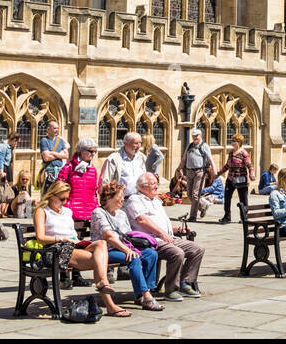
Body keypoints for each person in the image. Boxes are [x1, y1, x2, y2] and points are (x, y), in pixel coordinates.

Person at [33, 179, 129, 316]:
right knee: (97, 260)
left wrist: (76, 241)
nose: (64, 202)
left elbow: (72, 233)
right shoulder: (42, 211)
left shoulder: (67, 212)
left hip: (73, 244)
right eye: (61, 199)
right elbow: (40, 238)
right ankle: (109, 303)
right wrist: (61, 239)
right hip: (56, 249)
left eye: (67, 198)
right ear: (52, 196)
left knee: (101, 244)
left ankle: (103, 283)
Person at [125, 172, 205, 302]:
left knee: (197, 249)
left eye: (157, 183)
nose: (156, 186)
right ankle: (171, 290)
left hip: (167, 238)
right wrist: (162, 234)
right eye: (153, 184)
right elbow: (142, 220)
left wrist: (177, 229)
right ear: (142, 186)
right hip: (151, 241)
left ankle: (185, 283)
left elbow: (163, 223)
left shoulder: (156, 200)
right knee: (177, 253)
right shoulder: (135, 200)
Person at [90, 181, 163, 311]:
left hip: (124, 248)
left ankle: (143, 292)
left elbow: (128, 235)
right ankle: (146, 296)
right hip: (107, 250)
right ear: (109, 197)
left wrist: (130, 248)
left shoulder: (121, 214)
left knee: (151, 254)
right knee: (133, 258)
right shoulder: (98, 213)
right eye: (120, 196)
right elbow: (109, 236)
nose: (122, 199)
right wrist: (128, 250)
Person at [60, 138, 100, 224]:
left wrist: (95, 206)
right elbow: (58, 190)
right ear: (81, 151)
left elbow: (94, 192)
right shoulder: (69, 167)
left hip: (89, 215)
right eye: (90, 151)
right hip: (71, 214)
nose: (93, 154)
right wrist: (66, 206)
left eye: (94, 152)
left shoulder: (93, 169)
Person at [218, 134, 254, 224]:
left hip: (241, 179)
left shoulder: (244, 153)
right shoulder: (230, 153)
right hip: (230, 179)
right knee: (227, 198)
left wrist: (252, 174)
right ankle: (227, 217)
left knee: (243, 199)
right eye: (232, 140)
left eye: (235, 141)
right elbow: (227, 165)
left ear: (239, 143)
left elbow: (250, 165)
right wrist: (219, 173)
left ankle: (244, 218)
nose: (232, 142)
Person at [180, 128, 214, 221]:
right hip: (189, 171)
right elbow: (184, 158)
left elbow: (210, 159)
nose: (195, 138)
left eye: (196, 136)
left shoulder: (204, 146)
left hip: (200, 171)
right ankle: (203, 206)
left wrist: (214, 171)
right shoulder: (190, 145)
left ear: (201, 136)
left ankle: (193, 216)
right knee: (189, 194)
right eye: (193, 136)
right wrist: (179, 168)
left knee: (195, 194)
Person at [100, 132, 147, 199]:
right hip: (122, 201)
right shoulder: (114, 159)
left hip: (141, 199)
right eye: (136, 143)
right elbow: (105, 182)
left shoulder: (142, 158)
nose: (139, 146)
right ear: (125, 144)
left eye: (140, 143)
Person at [0, 131, 18, 217]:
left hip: (7, 167)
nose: (16, 144)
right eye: (16, 142)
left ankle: (3, 211)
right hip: (2, 168)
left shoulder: (8, 147)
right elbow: (0, 160)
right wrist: (1, 171)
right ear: (13, 140)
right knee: (0, 190)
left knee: (5, 189)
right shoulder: (2, 146)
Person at [39, 121, 68, 193]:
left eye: (57, 128)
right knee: (47, 194)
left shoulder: (60, 141)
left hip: (60, 172)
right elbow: (46, 158)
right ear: (49, 129)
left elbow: (66, 155)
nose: (57, 130)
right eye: (55, 128)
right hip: (49, 172)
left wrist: (53, 153)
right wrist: (60, 155)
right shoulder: (44, 141)